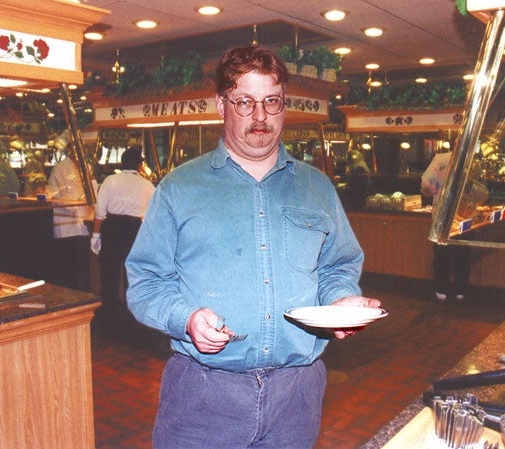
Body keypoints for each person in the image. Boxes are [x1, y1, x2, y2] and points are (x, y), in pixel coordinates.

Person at [125, 45, 382, 449]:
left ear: (284, 106)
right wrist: (186, 317)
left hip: (297, 396)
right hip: (203, 397)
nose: (260, 116)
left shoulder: (316, 187)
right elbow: (145, 283)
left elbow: (337, 267)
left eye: (271, 102)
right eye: (244, 102)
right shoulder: (179, 188)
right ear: (221, 105)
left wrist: (341, 300)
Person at [91, 147, 155, 337]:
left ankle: (109, 317)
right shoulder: (147, 185)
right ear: (139, 165)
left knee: (109, 273)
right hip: (134, 230)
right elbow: (152, 215)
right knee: (132, 274)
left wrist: (95, 236)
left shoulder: (110, 181)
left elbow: (100, 212)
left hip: (112, 228)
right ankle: (132, 319)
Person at [47, 130, 96, 290]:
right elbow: (58, 198)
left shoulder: (86, 167)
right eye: (78, 148)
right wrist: (81, 209)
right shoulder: (59, 169)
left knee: (83, 268)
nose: (82, 151)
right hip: (66, 228)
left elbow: (92, 192)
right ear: (70, 149)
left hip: (85, 224)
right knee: (69, 270)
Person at [421, 150, 471, 302]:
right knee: (462, 254)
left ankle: (441, 289)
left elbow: (427, 189)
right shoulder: (472, 160)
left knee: (442, 253)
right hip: (465, 213)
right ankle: (460, 290)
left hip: (443, 213)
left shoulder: (441, 159)